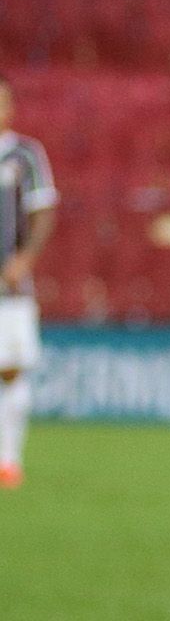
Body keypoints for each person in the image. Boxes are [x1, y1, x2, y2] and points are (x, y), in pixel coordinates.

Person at [0, 75, 59, 489]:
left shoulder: (25, 154)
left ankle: (8, 460)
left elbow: (43, 209)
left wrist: (25, 258)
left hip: (10, 288)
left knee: (11, 371)